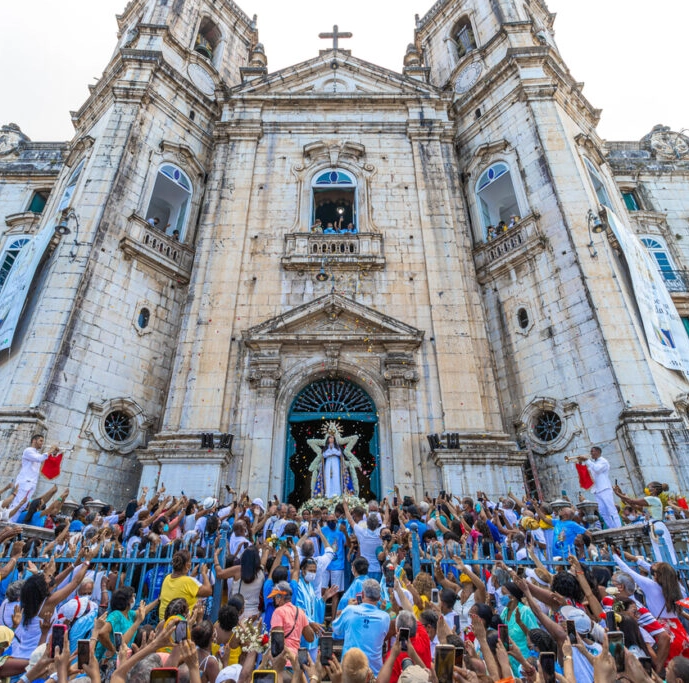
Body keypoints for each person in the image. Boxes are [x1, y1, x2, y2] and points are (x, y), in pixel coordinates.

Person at [331, 579, 391, 675]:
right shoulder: (385, 617)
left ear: (362, 594)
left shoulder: (350, 610)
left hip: (349, 671)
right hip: (373, 673)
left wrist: (346, 609)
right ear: (379, 597)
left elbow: (335, 629)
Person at [613, 481, 678, 564]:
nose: (647, 489)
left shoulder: (652, 499)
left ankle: (671, 569)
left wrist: (617, 494)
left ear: (654, 490)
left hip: (657, 526)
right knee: (659, 551)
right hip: (654, 526)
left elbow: (632, 501)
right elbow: (635, 506)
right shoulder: (653, 501)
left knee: (664, 550)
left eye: (649, 487)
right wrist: (621, 494)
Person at [9, 434, 60, 518]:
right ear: (34, 441)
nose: (42, 443)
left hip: (31, 482)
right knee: (18, 503)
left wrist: (54, 453)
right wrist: (50, 450)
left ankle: (13, 521)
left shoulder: (37, 453)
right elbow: (39, 458)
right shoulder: (28, 450)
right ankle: (9, 521)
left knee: (23, 505)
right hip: (25, 481)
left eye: (43, 441)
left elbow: (44, 459)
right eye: (40, 441)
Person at [571, 447, 621, 528]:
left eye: (592, 451)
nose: (590, 453)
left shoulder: (603, 461)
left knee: (612, 510)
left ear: (598, 452)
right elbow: (588, 472)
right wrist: (580, 463)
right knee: (603, 512)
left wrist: (587, 460)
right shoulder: (594, 463)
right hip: (597, 490)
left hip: (605, 489)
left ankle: (619, 527)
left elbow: (597, 469)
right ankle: (612, 528)